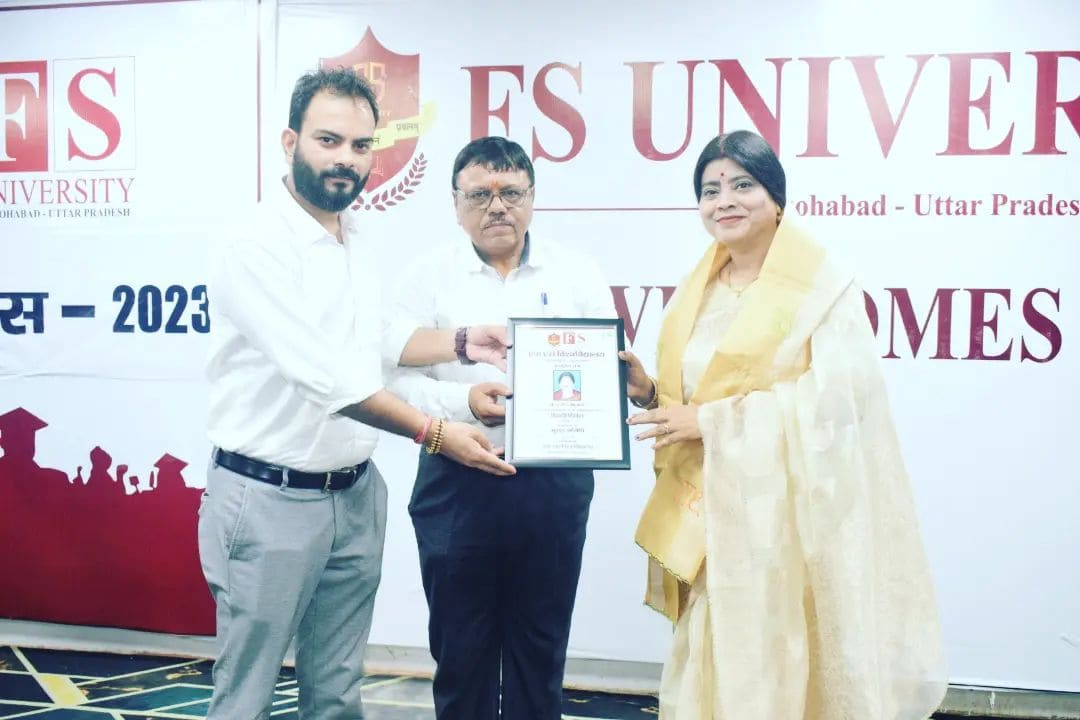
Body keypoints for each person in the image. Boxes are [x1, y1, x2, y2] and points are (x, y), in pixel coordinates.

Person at [200, 68, 515, 720]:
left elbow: (377, 342)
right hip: (267, 499)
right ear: (290, 142)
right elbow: (328, 378)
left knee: (338, 690)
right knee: (246, 695)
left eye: (360, 145)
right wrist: (436, 434)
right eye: (329, 140)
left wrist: (462, 344)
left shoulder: (359, 236)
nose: (346, 158)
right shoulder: (253, 244)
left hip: (354, 494)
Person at [621, 130, 947, 719]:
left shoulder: (823, 289)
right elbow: (694, 398)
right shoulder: (698, 289)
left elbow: (837, 407)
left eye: (742, 185)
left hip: (787, 524)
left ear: (776, 198)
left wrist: (714, 421)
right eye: (710, 190)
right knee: (715, 654)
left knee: (780, 659)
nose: (725, 200)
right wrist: (649, 392)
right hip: (711, 514)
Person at [385, 136, 615, 719]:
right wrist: (463, 401)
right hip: (455, 476)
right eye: (479, 195)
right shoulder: (425, 276)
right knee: (461, 654)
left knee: (541, 652)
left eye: (511, 193)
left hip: (553, 484)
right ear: (455, 204)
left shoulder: (577, 274)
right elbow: (394, 380)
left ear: (532, 198)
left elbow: (602, 371)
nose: (497, 207)